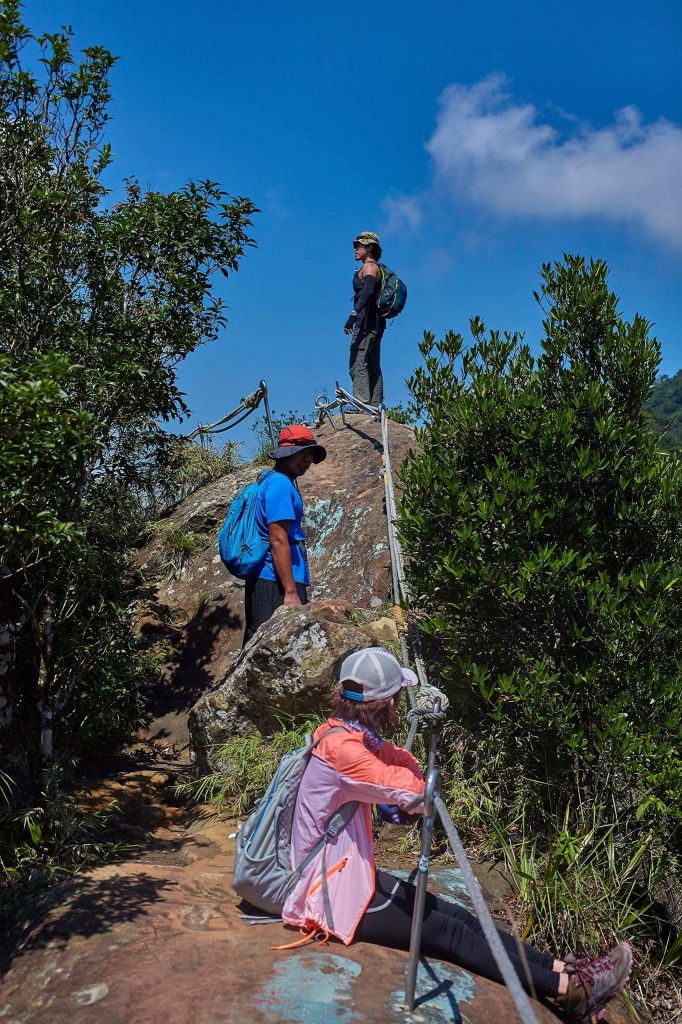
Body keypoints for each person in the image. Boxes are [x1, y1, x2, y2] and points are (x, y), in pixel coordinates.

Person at [281, 647, 632, 1023]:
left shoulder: (340, 732)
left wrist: (407, 774)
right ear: (385, 703)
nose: (400, 703)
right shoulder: (344, 751)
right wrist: (412, 789)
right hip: (326, 896)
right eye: (397, 696)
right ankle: (570, 994)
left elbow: (397, 759)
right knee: (451, 933)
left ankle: (564, 970)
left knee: (461, 917)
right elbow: (412, 791)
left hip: (344, 873)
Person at [242, 424, 326, 645]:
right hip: (275, 582)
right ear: (284, 454)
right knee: (274, 646)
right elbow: (278, 539)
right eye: (300, 453)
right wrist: (289, 592)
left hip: (271, 579)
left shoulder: (273, 480)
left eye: (309, 455)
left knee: (262, 644)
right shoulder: (280, 485)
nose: (306, 460)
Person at [344, 231, 385, 407]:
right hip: (376, 323)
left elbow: (367, 291)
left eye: (358, 245)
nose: (355, 249)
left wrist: (353, 316)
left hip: (366, 323)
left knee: (358, 362)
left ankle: (362, 404)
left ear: (369, 248)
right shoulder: (378, 267)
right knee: (373, 364)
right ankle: (374, 406)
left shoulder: (369, 268)